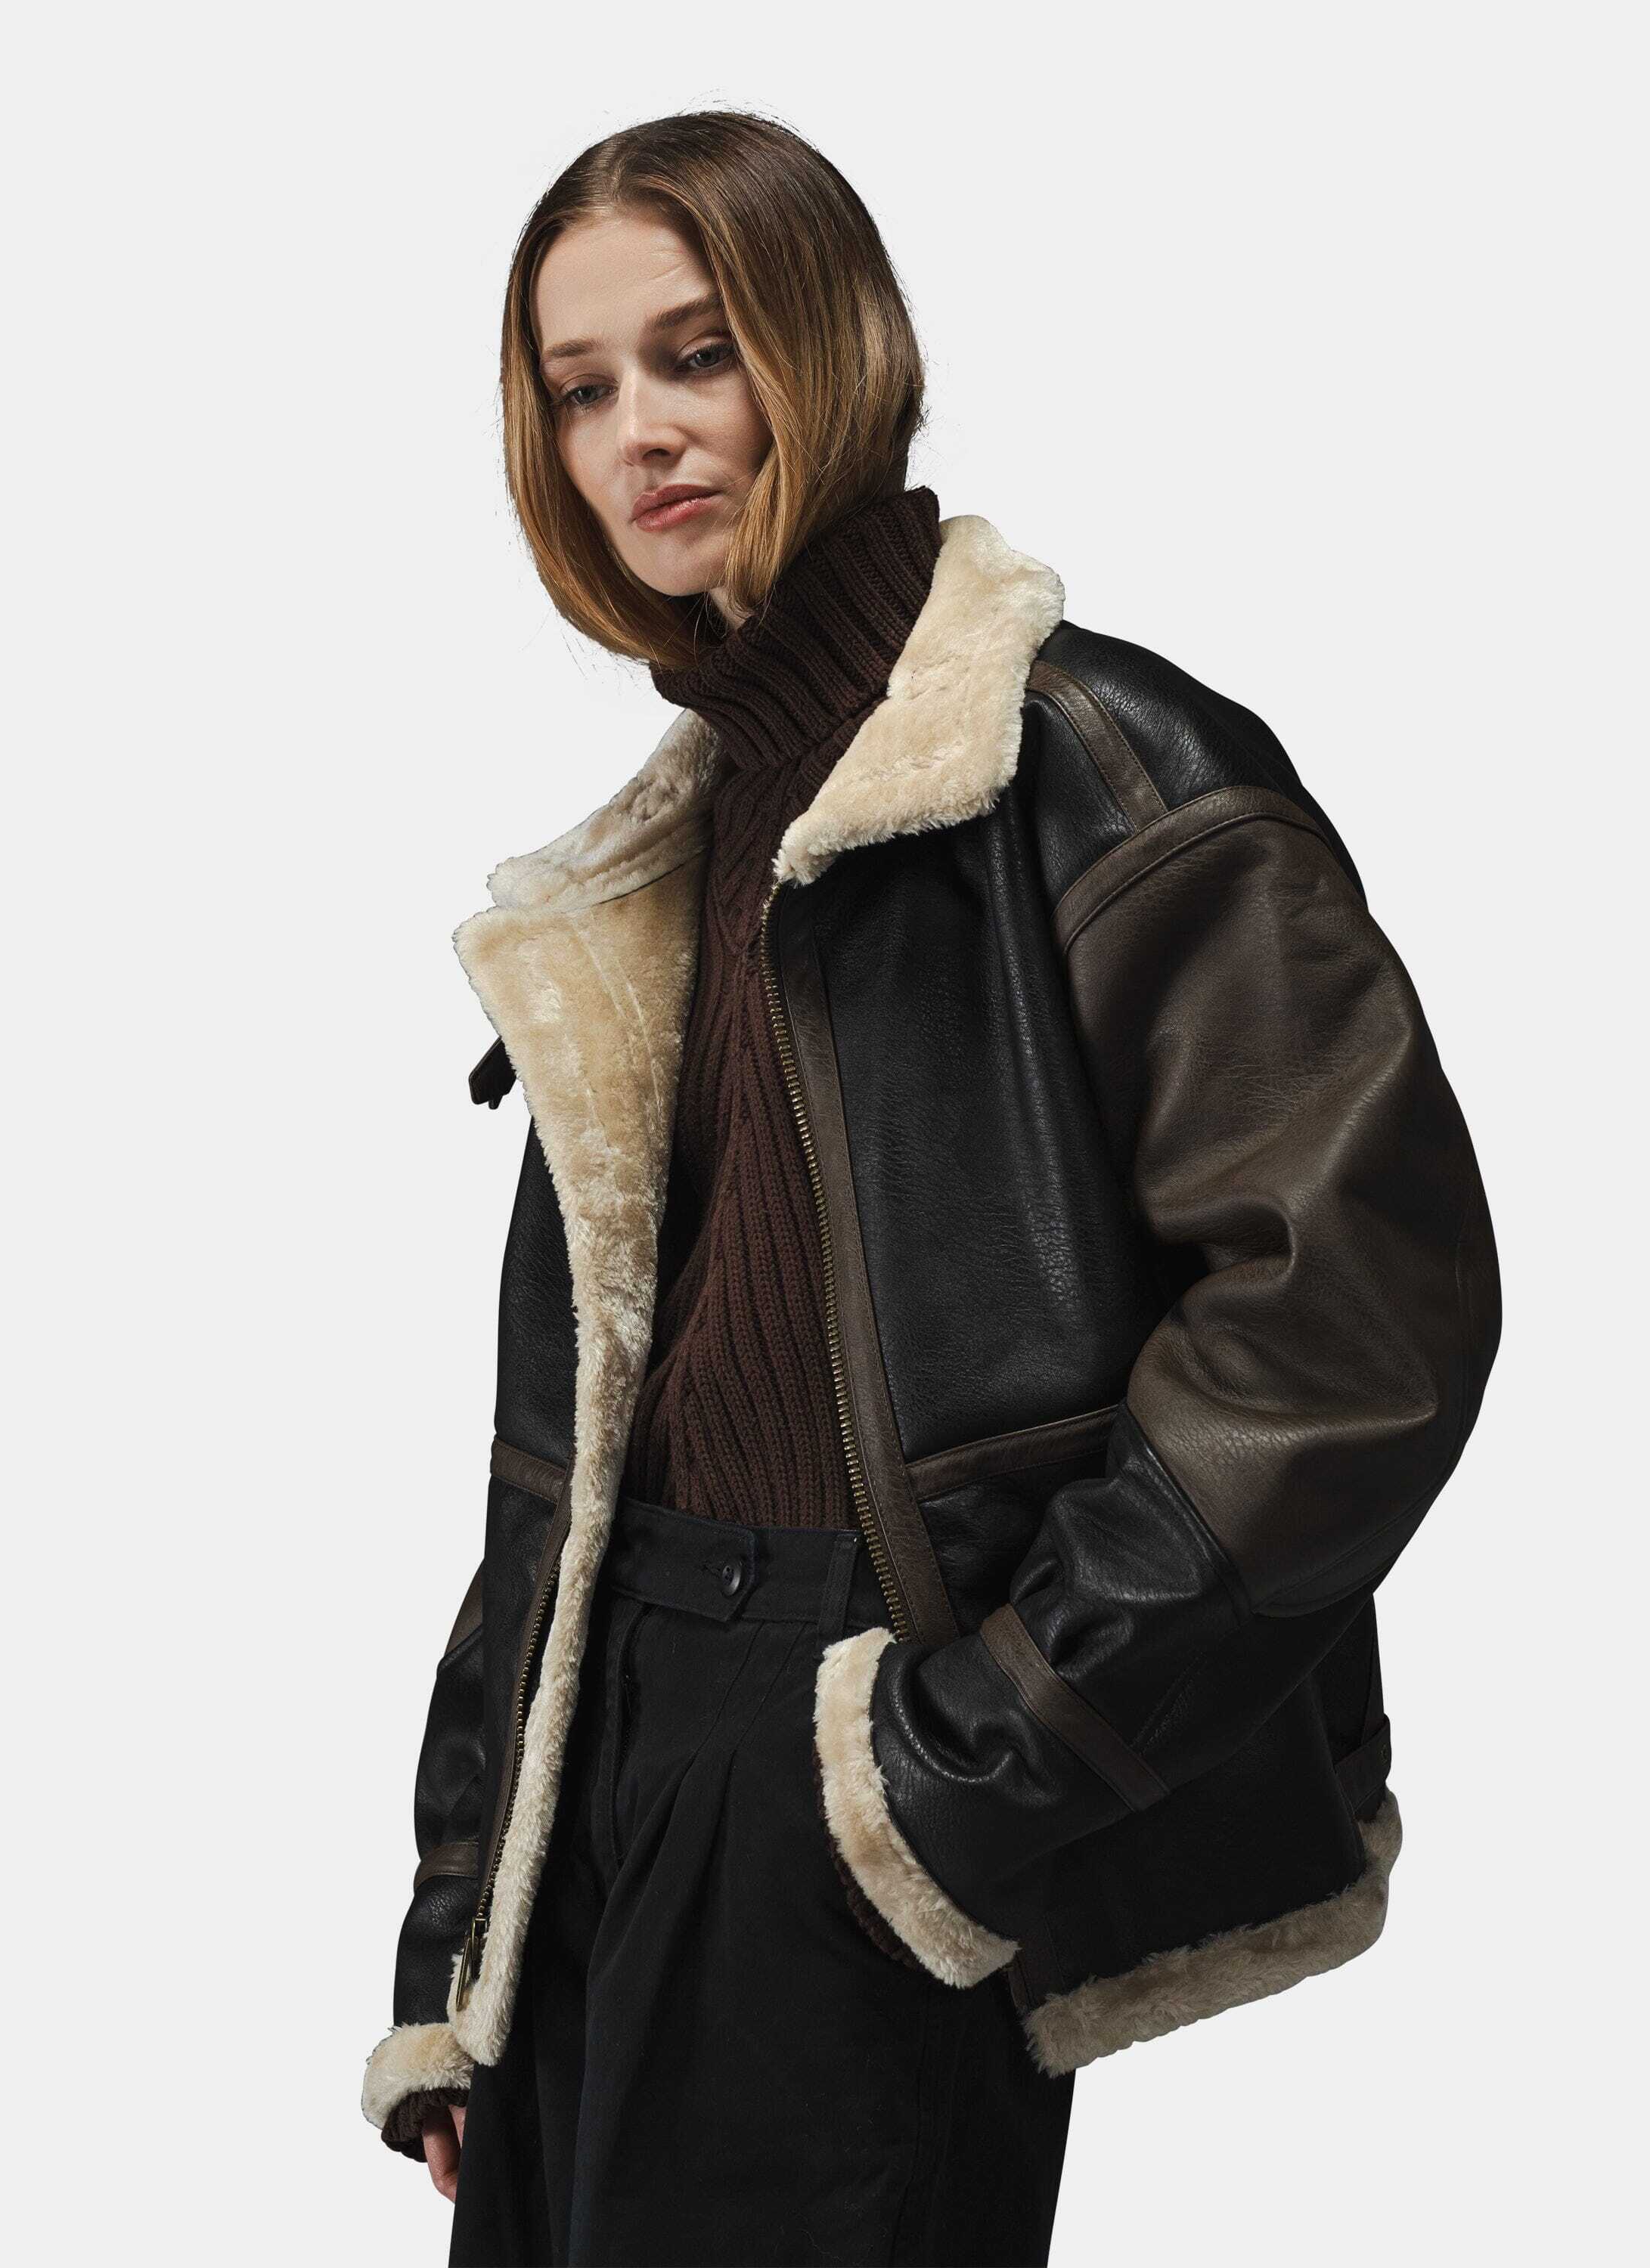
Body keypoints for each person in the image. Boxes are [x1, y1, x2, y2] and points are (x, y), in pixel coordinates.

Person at [358, 108, 1503, 2268]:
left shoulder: (1095, 764)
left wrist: (969, 1762)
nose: (638, 433)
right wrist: (465, 1938)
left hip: (842, 1757)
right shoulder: (663, 859)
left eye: (697, 352)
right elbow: (583, 1458)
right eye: (580, 388)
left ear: (835, 343)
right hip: (616, 1766)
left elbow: (1352, 1323)